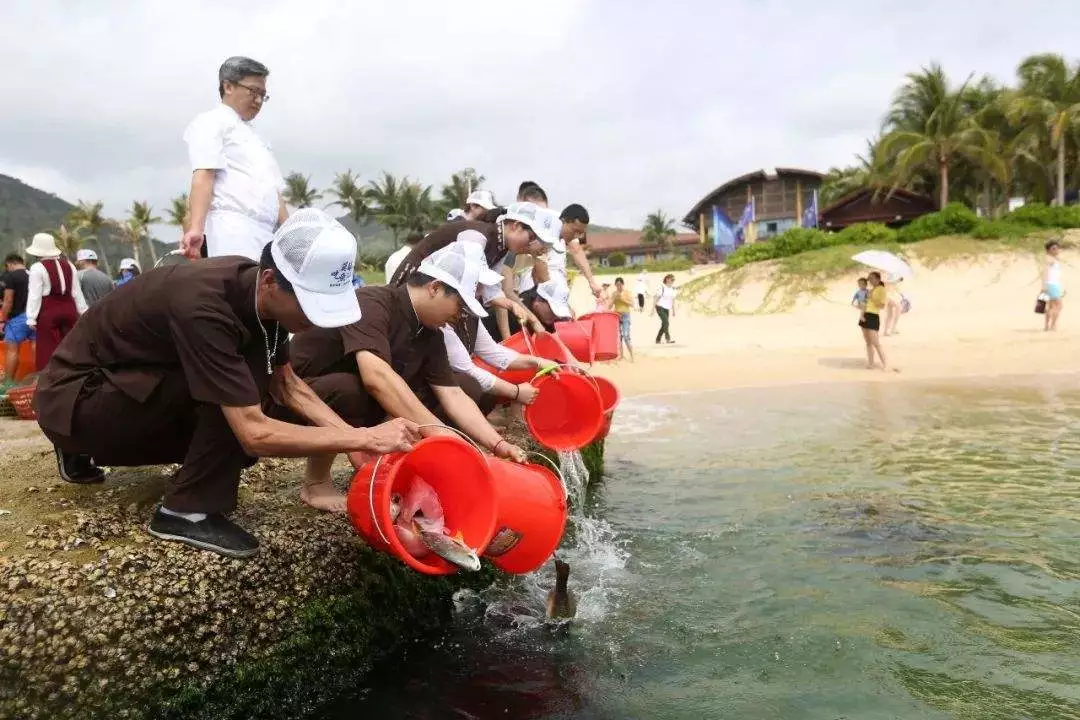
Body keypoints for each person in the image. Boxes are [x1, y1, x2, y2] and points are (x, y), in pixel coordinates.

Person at [35, 209, 419, 558]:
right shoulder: (204, 304)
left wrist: (357, 442)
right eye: (308, 304)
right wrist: (365, 438)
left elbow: (287, 385)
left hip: (110, 388)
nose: (316, 320)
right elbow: (254, 432)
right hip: (76, 397)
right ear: (271, 280)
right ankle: (185, 510)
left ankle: (80, 448)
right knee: (234, 397)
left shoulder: (254, 293)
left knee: (246, 386)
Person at [286, 241, 529, 512]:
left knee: (459, 387)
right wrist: (441, 436)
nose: (459, 318)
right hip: (291, 398)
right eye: (459, 306)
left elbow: (452, 394)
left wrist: (495, 444)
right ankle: (316, 483)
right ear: (435, 287)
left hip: (340, 406)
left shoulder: (430, 333)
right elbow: (375, 377)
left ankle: (386, 468)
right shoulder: (371, 302)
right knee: (354, 390)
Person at [390, 203, 556, 337]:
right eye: (532, 238)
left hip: (439, 294)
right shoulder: (477, 237)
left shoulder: (502, 248)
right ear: (516, 226)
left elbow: (491, 289)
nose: (531, 246)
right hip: (417, 285)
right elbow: (462, 285)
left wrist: (511, 305)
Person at [181, 56, 287, 261]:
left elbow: (275, 194)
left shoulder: (259, 139)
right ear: (228, 86)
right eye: (253, 92)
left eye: (263, 95)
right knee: (239, 288)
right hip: (232, 229)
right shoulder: (211, 122)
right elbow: (204, 173)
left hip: (267, 235)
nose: (258, 101)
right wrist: (196, 228)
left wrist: (292, 236)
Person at [441, 268, 558, 415]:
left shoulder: (470, 314)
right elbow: (468, 370)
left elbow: (493, 352)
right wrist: (516, 392)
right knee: (473, 386)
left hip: (455, 378)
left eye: (482, 285)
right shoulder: (442, 319)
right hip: (435, 388)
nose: (482, 291)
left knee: (487, 391)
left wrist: (538, 362)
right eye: (477, 284)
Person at [25, 233, 88, 373]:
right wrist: (83, 311)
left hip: (49, 311)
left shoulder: (37, 267)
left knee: (48, 350)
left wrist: (31, 318)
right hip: (70, 309)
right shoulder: (70, 265)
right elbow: (76, 292)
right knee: (71, 348)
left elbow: (34, 294)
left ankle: (51, 380)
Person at [0, 253, 32, 389]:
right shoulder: (33, 273)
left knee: (12, 350)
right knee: (36, 347)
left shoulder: (10, 276)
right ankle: (38, 379)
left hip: (18, 317)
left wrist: (3, 319)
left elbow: (8, 300)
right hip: (35, 316)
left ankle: (8, 383)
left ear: (9, 264)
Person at [859, 271, 889, 370]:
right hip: (865, 315)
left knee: (876, 343)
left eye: (871, 278)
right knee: (868, 343)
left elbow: (882, 306)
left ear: (877, 279)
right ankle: (871, 363)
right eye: (869, 278)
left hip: (873, 316)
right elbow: (866, 303)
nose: (870, 280)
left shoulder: (882, 290)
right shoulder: (871, 290)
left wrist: (871, 297)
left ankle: (886, 364)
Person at [607, 277, 634, 362]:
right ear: (615, 285)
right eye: (617, 285)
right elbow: (609, 307)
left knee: (626, 336)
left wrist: (622, 299)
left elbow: (632, 304)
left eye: (620, 284)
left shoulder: (627, 292)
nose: (619, 286)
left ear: (623, 284)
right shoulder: (614, 293)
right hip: (617, 316)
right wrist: (614, 299)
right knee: (619, 338)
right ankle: (621, 356)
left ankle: (632, 356)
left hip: (626, 315)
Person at [1043, 240, 1064, 332]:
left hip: (1053, 284)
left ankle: (1047, 326)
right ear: (1048, 250)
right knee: (1059, 305)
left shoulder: (1053, 258)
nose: (1056, 250)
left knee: (1051, 306)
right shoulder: (1050, 259)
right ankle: (1053, 325)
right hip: (1052, 284)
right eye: (1053, 248)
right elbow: (1046, 272)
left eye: (1057, 248)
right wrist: (1044, 285)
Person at [653, 273, 676, 344]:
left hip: (667, 308)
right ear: (667, 279)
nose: (672, 281)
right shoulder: (662, 287)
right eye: (671, 279)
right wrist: (652, 309)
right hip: (659, 307)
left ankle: (657, 339)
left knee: (664, 324)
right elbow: (656, 298)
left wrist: (673, 310)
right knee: (666, 322)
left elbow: (672, 300)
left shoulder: (672, 289)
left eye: (673, 280)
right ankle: (668, 338)